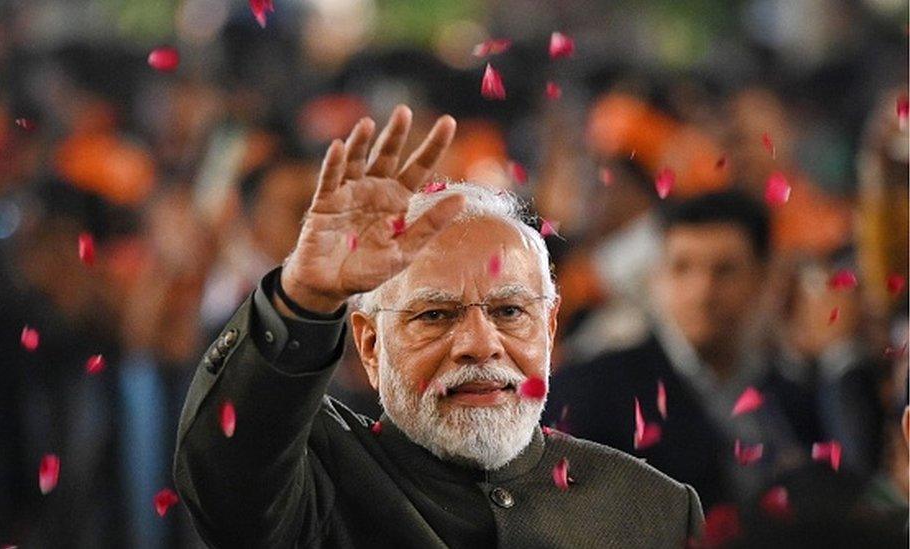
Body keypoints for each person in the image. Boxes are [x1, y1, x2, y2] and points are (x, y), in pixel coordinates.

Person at [173, 105, 704, 547]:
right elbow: (228, 473)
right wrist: (305, 296)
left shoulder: (655, 512)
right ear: (370, 344)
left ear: (549, 327)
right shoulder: (316, 484)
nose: (480, 344)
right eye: (435, 315)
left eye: (509, 312)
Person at [545, 191, 883, 512]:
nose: (702, 291)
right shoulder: (594, 390)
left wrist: (838, 356)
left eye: (725, 270)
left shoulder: (795, 394)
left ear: (765, 278)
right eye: (682, 268)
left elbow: (853, 493)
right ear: (657, 278)